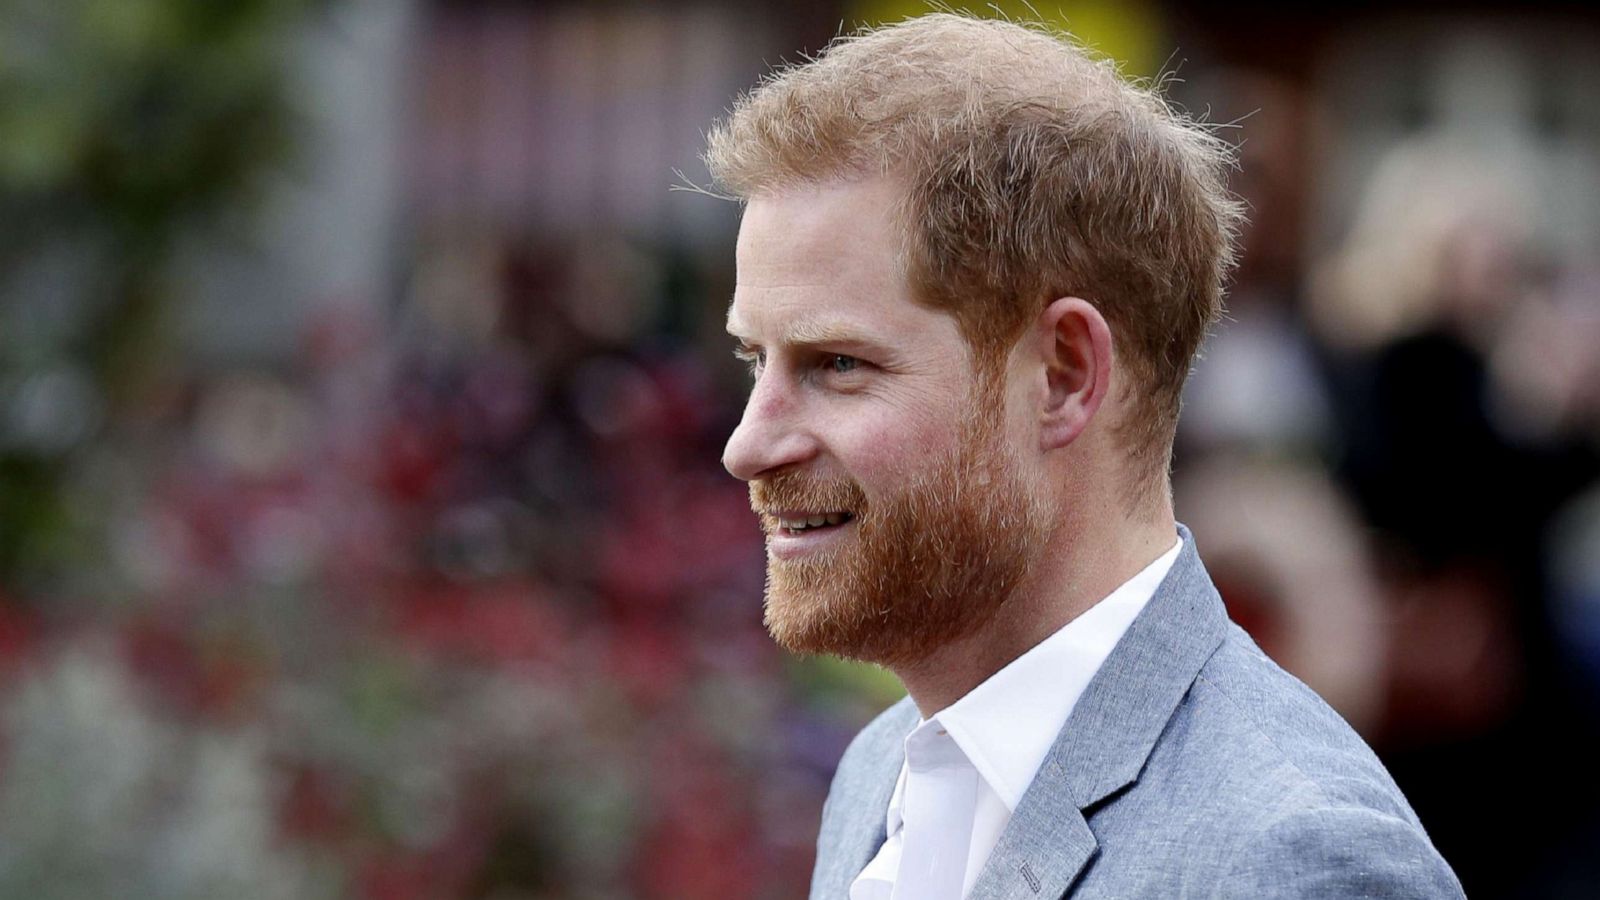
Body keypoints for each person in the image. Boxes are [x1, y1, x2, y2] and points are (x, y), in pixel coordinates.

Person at [703, 14, 1464, 900]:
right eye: (756, 360)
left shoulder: (1291, 858)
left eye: (838, 364)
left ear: (1064, 375)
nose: (747, 444)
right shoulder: (883, 774)